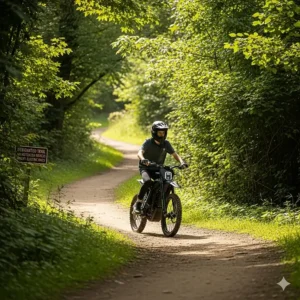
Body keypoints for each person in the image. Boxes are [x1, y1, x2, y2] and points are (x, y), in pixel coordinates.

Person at [133, 120, 188, 214]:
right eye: (160, 132)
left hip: (158, 168)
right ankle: (138, 203)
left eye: (164, 132)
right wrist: (143, 159)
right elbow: (140, 152)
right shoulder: (148, 142)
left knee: (166, 180)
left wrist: (182, 162)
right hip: (146, 168)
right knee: (148, 181)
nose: (162, 135)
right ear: (154, 132)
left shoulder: (166, 143)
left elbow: (174, 154)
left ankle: (158, 202)